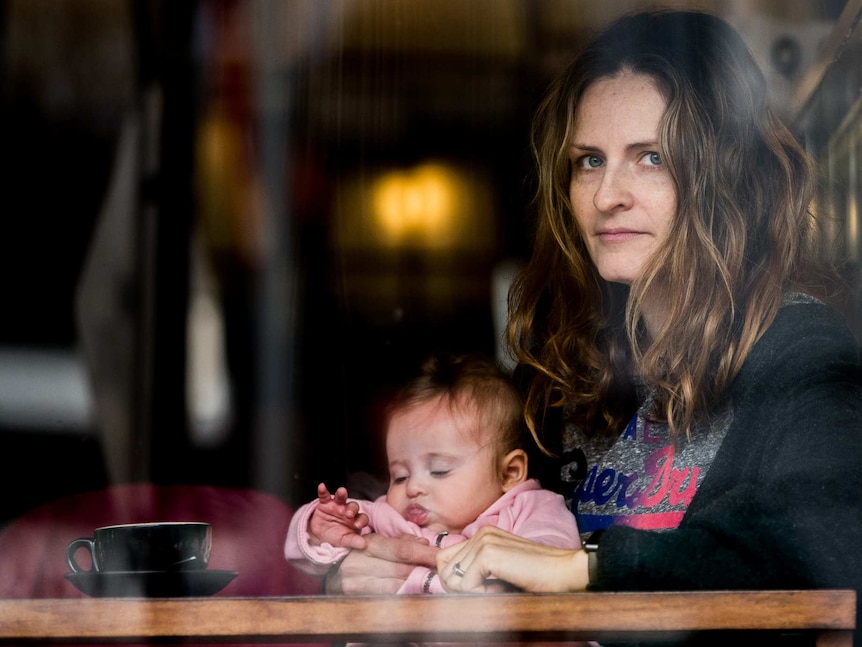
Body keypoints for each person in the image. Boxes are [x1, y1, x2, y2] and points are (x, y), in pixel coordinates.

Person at [326, 8, 862, 643]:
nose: (608, 194)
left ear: (726, 178)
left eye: (651, 157)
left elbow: (833, 532)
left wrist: (583, 568)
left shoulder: (797, 350)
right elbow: (463, 522)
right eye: (588, 161)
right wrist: (381, 564)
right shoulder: (566, 368)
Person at [285, 353, 581, 596]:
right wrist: (320, 525)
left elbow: (551, 564)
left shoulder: (531, 511)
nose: (413, 487)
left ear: (510, 472)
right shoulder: (385, 518)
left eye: (439, 470)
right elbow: (309, 558)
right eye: (399, 476)